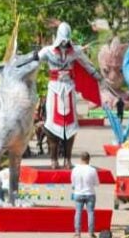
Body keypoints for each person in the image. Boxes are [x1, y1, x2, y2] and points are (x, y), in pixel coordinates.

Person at [37, 22, 105, 169]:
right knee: (50, 124)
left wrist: (101, 79)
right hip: (54, 89)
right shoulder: (47, 51)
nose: (64, 43)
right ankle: (53, 159)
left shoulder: (75, 51)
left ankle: (67, 160)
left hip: (69, 89)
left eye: (66, 40)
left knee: (71, 126)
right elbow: (34, 60)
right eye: (62, 40)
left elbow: (88, 66)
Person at [71, 151, 99, 238]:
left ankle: (77, 233)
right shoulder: (92, 170)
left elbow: (73, 183)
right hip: (90, 193)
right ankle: (91, 233)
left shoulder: (75, 169)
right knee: (90, 213)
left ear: (81, 159)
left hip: (78, 193)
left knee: (78, 212)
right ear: (89, 159)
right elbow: (97, 183)